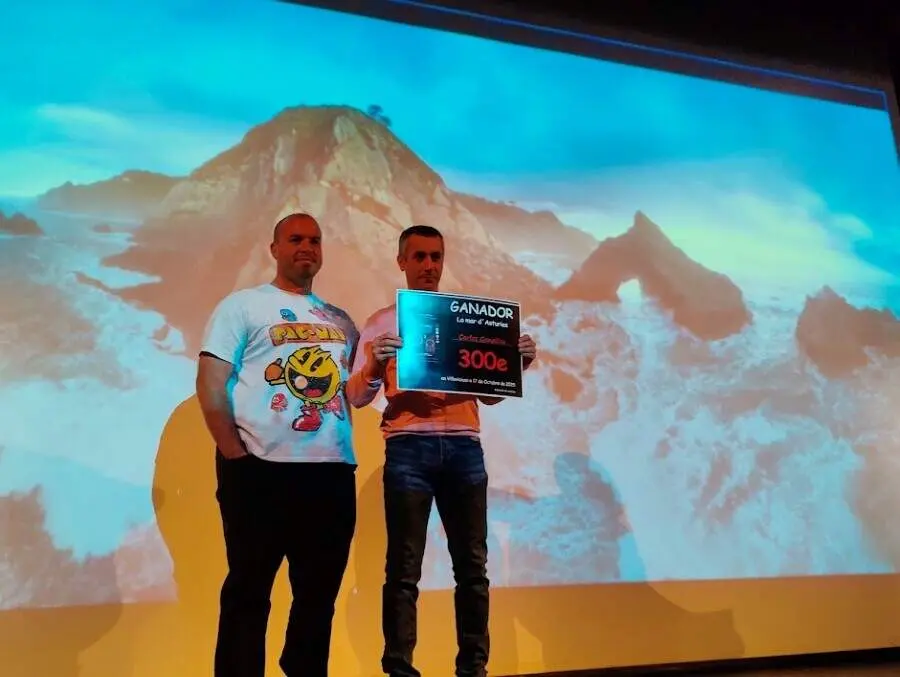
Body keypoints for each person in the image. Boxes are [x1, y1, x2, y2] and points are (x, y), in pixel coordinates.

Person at [346, 224, 537, 677]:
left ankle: (474, 668)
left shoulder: (466, 320)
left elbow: (488, 396)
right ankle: (399, 668)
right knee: (404, 568)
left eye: (435, 256)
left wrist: (516, 365)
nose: (429, 265)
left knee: (472, 568)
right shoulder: (380, 322)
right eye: (419, 257)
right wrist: (374, 362)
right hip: (408, 446)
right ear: (402, 262)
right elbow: (355, 396)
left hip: (464, 447)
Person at [195, 212, 360, 677]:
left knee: (319, 595)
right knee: (249, 592)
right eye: (295, 239)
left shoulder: (341, 320)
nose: (306, 247)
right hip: (259, 471)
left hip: (329, 473)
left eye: (315, 240)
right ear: (274, 249)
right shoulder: (242, 306)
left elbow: (355, 394)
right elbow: (210, 383)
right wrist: (234, 456)